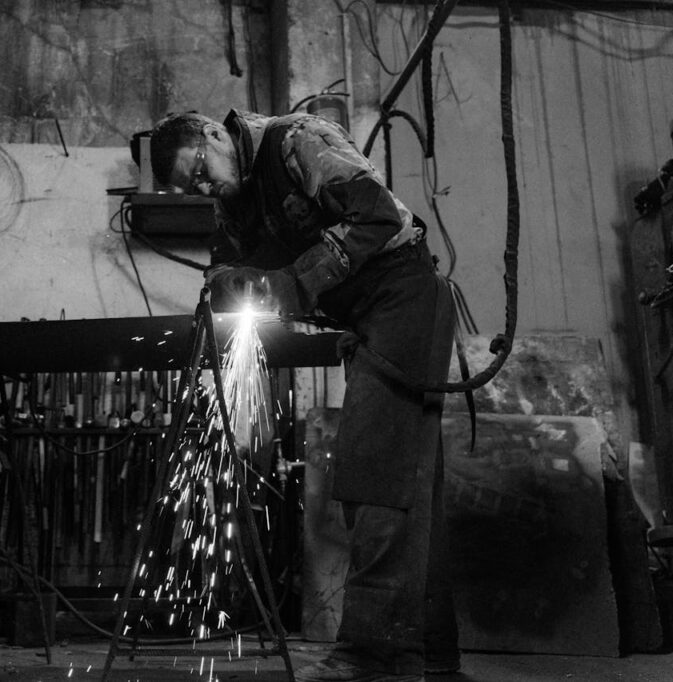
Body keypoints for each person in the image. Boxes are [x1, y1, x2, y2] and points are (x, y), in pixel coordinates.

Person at [149, 110, 460, 682]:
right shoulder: (233, 204)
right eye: (191, 187)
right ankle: (429, 655)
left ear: (214, 135)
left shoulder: (298, 141)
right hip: (362, 317)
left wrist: (291, 283)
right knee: (409, 486)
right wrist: (227, 282)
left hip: (404, 294)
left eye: (199, 171)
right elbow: (241, 270)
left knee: (376, 476)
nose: (203, 188)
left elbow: (376, 217)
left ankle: (373, 657)